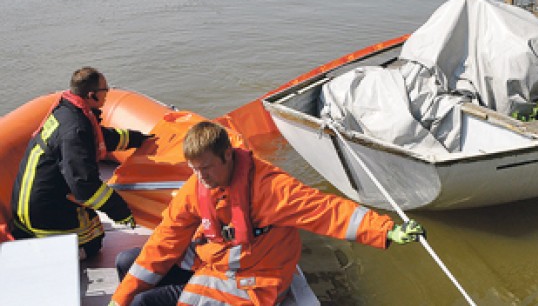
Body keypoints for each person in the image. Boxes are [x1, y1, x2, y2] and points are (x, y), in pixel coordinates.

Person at [110, 121, 424, 306]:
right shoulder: (197, 189)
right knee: (127, 266)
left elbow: (328, 210)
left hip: (255, 277)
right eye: (195, 169)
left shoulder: (270, 189)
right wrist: (117, 299)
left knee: (145, 303)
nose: (200, 177)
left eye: (206, 168)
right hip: (217, 259)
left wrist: (385, 230)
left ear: (227, 155)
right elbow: (163, 243)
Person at [10, 67, 152, 258]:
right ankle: (57, 254)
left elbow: (99, 138)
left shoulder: (66, 111)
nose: (108, 94)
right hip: (44, 215)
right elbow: (84, 185)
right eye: (105, 91)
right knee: (94, 243)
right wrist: (121, 211)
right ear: (92, 95)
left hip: (27, 208)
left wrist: (138, 139)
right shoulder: (75, 130)